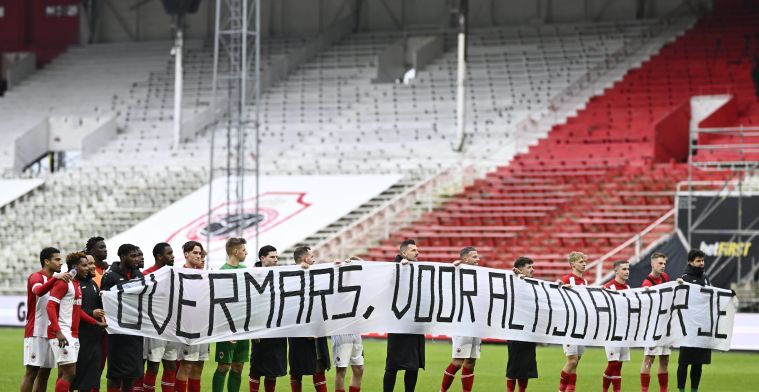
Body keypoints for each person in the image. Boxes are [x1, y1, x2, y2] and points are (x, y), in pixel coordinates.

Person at [46, 252, 106, 392]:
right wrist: (58, 331)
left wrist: (95, 323)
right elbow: (50, 306)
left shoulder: (76, 284)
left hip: (72, 333)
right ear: (74, 267)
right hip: (62, 333)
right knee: (70, 373)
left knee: (68, 373)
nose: (87, 268)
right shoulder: (64, 282)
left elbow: (77, 311)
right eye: (84, 265)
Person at [21, 247, 73, 392]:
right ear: (46, 261)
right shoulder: (36, 277)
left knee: (45, 374)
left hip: (51, 333)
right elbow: (38, 291)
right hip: (36, 331)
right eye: (57, 259)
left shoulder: (57, 280)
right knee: (31, 373)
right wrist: (54, 279)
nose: (60, 263)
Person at [102, 244, 145, 391]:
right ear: (122, 257)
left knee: (131, 376)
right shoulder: (110, 276)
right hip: (117, 332)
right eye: (132, 256)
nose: (136, 259)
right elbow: (104, 301)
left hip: (135, 330)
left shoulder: (138, 275)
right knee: (115, 375)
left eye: (137, 256)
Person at [384, 239, 425, 392]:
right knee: (393, 365)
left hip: (415, 323)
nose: (417, 252)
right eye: (413, 250)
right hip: (398, 322)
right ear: (403, 253)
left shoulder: (417, 268)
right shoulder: (393, 268)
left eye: (417, 249)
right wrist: (399, 269)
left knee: (413, 366)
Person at [289, 246, 330, 392]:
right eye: (312, 256)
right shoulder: (289, 276)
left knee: (319, 366)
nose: (314, 259)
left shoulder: (317, 274)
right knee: (296, 369)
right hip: (297, 331)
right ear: (305, 259)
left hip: (317, 329)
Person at [440, 246, 481, 392]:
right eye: (474, 257)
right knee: (457, 362)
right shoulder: (457, 272)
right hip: (462, 323)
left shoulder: (481, 275)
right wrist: (454, 268)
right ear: (465, 259)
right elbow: (443, 281)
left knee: (470, 362)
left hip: (476, 323)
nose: (478, 259)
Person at [139, 243, 178, 392]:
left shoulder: (175, 274)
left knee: (171, 365)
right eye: (169, 253)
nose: (173, 256)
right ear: (159, 256)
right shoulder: (147, 275)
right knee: (153, 365)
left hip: (172, 326)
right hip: (155, 327)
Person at [212, 238, 250, 392]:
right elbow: (220, 304)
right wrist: (227, 330)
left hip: (243, 327)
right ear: (235, 252)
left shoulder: (245, 269)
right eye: (243, 250)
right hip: (228, 328)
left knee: (238, 367)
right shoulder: (223, 272)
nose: (246, 253)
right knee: (224, 366)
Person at [249, 245, 288, 392]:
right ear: (262, 258)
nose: (276, 260)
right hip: (260, 329)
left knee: (273, 370)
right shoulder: (250, 276)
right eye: (272, 257)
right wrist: (253, 329)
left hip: (277, 328)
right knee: (256, 369)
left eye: (277, 257)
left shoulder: (279, 274)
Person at [176, 241, 210, 392]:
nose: (198, 256)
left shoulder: (202, 275)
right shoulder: (178, 274)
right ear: (186, 254)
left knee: (199, 365)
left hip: (202, 326)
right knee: (186, 364)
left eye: (200, 253)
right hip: (187, 327)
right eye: (195, 253)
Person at [677, 249, 711, 392]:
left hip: (702, 326)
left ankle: (694, 390)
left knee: (698, 363)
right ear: (690, 262)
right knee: (684, 362)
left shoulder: (705, 277)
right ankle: (681, 390)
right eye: (698, 261)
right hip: (689, 327)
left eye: (702, 260)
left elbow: (712, 295)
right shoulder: (684, 278)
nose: (701, 263)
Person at [71, 255, 106, 392]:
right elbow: (73, 309)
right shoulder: (74, 284)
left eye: (92, 264)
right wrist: (92, 313)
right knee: (76, 378)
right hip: (80, 337)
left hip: (95, 337)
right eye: (87, 264)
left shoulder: (92, 284)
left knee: (92, 380)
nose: (92, 267)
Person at [333, 256, 365, 392]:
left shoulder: (359, 285)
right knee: (342, 370)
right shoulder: (337, 283)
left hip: (355, 329)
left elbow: (370, 270)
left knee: (359, 369)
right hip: (341, 329)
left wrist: (356, 259)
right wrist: (337, 265)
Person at [641, 252, 672, 392]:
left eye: (664, 263)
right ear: (653, 263)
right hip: (652, 326)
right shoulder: (647, 283)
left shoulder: (665, 277)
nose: (663, 266)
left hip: (665, 325)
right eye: (660, 263)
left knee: (665, 359)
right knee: (649, 359)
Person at [506, 256, 538, 392]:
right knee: (513, 366)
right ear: (519, 269)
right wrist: (515, 276)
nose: (532, 270)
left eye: (532, 267)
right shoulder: (511, 281)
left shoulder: (535, 285)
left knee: (526, 367)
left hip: (529, 330)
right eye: (529, 267)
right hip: (515, 330)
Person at [557, 251, 588, 392]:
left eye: (584, 261)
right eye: (581, 262)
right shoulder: (566, 279)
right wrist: (560, 286)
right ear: (572, 264)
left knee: (577, 361)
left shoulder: (585, 282)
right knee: (572, 360)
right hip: (569, 325)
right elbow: (556, 292)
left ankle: (571, 389)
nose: (584, 264)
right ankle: (561, 390)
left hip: (582, 325)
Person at [602, 261, 632, 392]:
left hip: (624, 330)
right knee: (613, 363)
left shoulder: (629, 289)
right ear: (616, 271)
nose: (627, 271)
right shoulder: (608, 288)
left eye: (628, 269)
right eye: (624, 269)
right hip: (611, 331)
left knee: (619, 364)